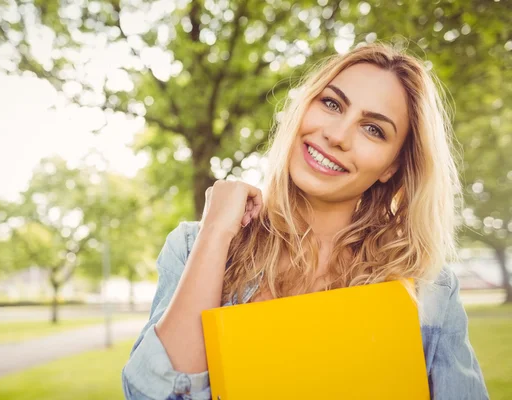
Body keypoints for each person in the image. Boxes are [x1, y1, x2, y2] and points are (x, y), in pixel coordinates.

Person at [121, 43, 489, 400]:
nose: (336, 135)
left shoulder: (428, 286)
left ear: (392, 166)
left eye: (373, 129)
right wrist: (215, 231)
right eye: (331, 104)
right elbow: (155, 394)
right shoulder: (192, 247)